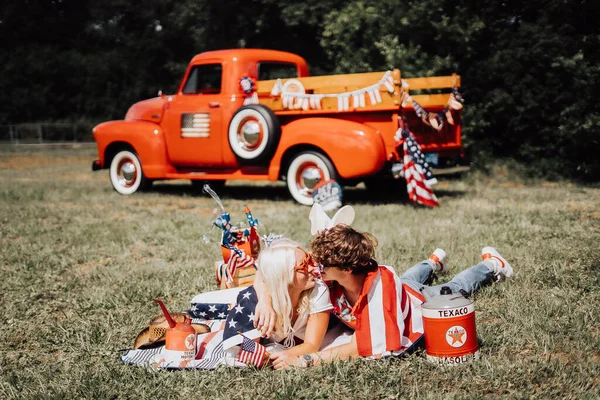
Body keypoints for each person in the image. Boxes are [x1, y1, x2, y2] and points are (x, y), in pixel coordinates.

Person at [264, 224, 514, 369]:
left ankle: (493, 264)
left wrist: (304, 361)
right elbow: (270, 270)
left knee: (455, 287)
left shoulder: (378, 290)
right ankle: (433, 262)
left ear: (346, 268)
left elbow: (360, 346)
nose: (315, 268)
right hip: (401, 285)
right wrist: (264, 298)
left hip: (416, 300)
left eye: (323, 265)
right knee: (407, 277)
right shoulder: (331, 277)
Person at [222, 238, 333, 361]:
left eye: (310, 260)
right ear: (285, 275)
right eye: (304, 266)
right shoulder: (256, 302)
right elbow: (251, 352)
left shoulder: (318, 291)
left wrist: (274, 358)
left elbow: (311, 345)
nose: (313, 268)